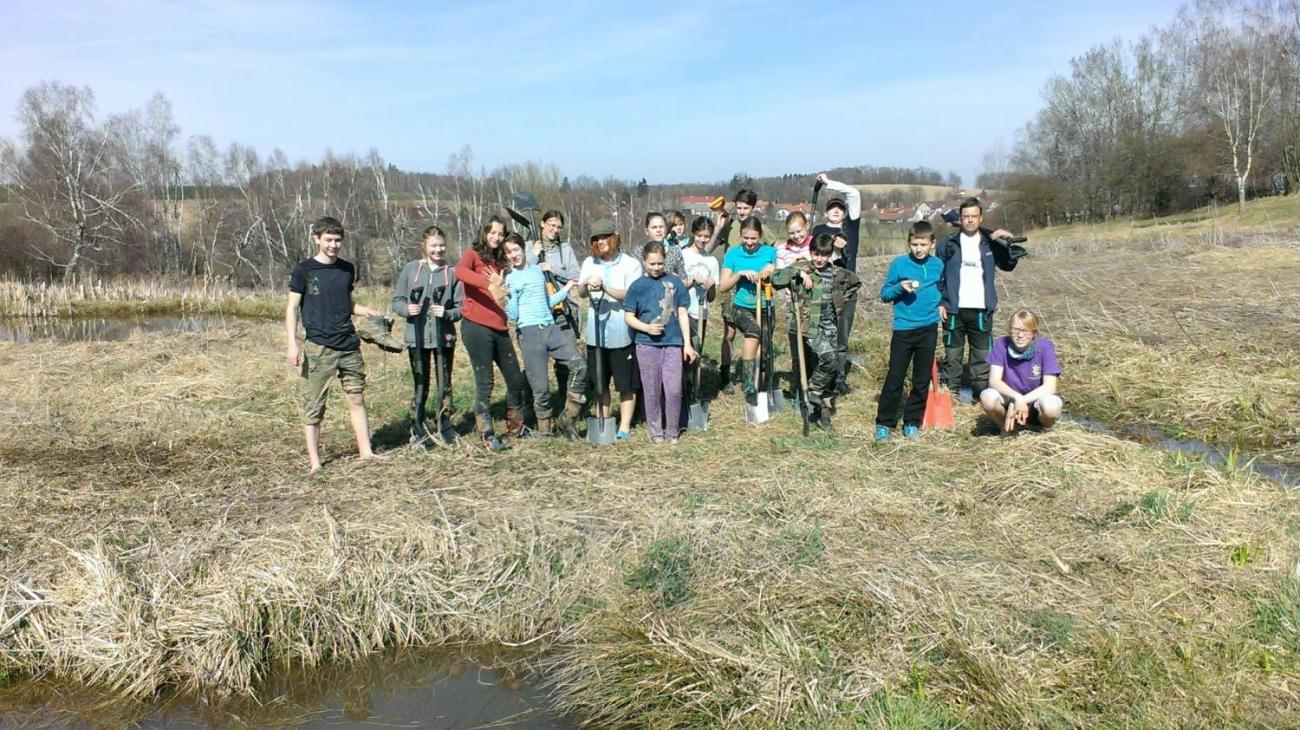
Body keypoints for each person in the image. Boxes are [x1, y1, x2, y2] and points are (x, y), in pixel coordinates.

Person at [285, 216, 385, 472]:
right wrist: (292, 345)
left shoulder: (347, 269)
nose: (333, 245)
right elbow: (292, 309)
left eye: (337, 240)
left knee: (356, 398)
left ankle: (366, 452)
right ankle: (315, 462)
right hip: (318, 348)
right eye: (328, 240)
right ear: (317, 239)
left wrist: (366, 311)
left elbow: (346, 303)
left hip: (349, 345)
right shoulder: (304, 271)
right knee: (313, 406)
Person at [935, 197, 1022, 400]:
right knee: (953, 357)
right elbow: (936, 275)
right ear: (960, 218)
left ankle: (980, 398)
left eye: (974, 216)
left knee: (982, 358)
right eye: (966, 217)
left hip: (982, 309)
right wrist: (940, 302)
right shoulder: (947, 244)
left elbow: (1008, 265)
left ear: (981, 218)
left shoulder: (990, 242)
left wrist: (1007, 243)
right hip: (953, 309)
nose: (970, 220)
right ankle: (951, 399)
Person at [771, 233, 861, 430]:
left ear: (830, 255)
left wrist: (842, 301)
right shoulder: (803, 268)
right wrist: (797, 273)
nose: (819, 259)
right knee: (828, 361)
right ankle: (813, 394)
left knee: (830, 367)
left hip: (829, 329)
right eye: (816, 254)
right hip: (808, 328)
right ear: (811, 253)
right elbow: (775, 278)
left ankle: (822, 411)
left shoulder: (838, 273)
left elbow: (855, 283)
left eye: (824, 255)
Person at [457, 216, 529, 451]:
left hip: (499, 326)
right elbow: (459, 271)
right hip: (476, 325)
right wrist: (488, 285)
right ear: (484, 232)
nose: (496, 237)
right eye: (492, 232)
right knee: (485, 381)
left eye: (500, 233)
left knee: (515, 379)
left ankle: (516, 426)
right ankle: (486, 433)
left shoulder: (501, 263)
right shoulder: (473, 255)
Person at [503, 233, 585, 439]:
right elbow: (512, 315)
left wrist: (567, 287)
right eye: (508, 252)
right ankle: (545, 432)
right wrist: (510, 296)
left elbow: (548, 302)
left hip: (550, 327)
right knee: (541, 388)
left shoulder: (538, 272)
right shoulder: (511, 279)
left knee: (580, 366)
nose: (513, 255)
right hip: (529, 333)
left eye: (516, 250)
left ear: (523, 249)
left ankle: (567, 417)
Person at [391, 225, 462, 445]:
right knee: (421, 384)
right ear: (424, 246)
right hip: (417, 337)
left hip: (444, 339)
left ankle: (445, 425)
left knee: (444, 384)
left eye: (441, 245)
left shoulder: (453, 273)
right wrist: (407, 310)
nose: (438, 249)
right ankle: (417, 427)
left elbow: (462, 306)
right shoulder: (411, 269)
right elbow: (397, 301)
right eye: (433, 245)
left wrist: (448, 313)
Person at [874, 221, 944, 440]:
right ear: (909, 244)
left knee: (921, 379)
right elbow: (884, 294)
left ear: (932, 244)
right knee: (895, 377)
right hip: (904, 329)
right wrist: (899, 288)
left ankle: (912, 421)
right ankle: (885, 422)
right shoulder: (899, 264)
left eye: (923, 244)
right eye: (914, 244)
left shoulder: (937, 265)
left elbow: (942, 289)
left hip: (929, 328)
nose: (919, 249)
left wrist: (943, 304)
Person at [577, 219, 644, 441]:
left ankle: (624, 427)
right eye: (596, 238)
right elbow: (581, 292)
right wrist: (587, 285)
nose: (600, 241)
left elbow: (632, 294)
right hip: (595, 335)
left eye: (604, 237)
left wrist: (606, 288)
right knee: (599, 382)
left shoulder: (630, 264)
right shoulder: (589, 262)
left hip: (621, 333)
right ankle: (603, 422)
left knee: (626, 384)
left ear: (614, 237)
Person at [624, 241, 697, 443]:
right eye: (652, 264)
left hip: (673, 344)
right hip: (646, 345)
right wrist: (646, 328)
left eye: (660, 263)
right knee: (652, 390)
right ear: (644, 262)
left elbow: (682, 313)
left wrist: (687, 344)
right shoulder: (637, 286)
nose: (657, 268)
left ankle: (672, 431)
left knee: (674, 390)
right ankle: (656, 431)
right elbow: (629, 316)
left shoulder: (675, 282)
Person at [705, 189, 774, 393]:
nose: (742, 211)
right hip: (732, 284)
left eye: (746, 208)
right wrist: (719, 228)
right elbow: (708, 249)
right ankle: (725, 375)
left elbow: (773, 251)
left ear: (753, 208)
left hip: (757, 289)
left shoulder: (762, 230)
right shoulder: (729, 225)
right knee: (730, 333)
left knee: (758, 334)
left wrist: (769, 268)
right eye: (739, 207)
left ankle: (756, 377)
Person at [810, 174, 863, 397]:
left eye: (840, 208)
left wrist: (828, 184)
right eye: (832, 207)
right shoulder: (818, 230)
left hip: (845, 290)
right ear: (825, 211)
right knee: (817, 335)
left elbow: (854, 194)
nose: (836, 211)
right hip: (820, 288)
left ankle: (839, 380)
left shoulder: (851, 228)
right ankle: (819, 378)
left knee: (841, 337)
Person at [525, 209, 582, 397]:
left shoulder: (565, 249)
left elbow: (576, 276)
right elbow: (518, 274)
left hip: (563, 311)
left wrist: (554, 270)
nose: (555, 229)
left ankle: (566, 399)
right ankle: (536, 401)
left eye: (559, 227)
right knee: (536, 361)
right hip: (536, 313)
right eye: (551, 225)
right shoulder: (528, 247)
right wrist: (534, 257)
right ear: (542, 224)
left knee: (568, 358)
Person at [719, 218, 777, 400]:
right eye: (746, 238)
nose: (750, 243)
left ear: (760, 237)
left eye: (754, 238)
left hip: (766, 305)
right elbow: (723, 286)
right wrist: (740, 274)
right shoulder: (733, 254)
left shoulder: (770, 252)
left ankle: (764, 384)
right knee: (753, 331)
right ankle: (747, 381)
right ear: (741, 236)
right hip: (741, 306)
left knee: (766, 345)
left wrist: (770, 270)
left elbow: (776, 270)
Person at [980, 310, 1063, 433]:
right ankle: (1006, 426)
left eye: (1025, 331)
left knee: (1051, 407)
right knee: (988, 398)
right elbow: (994, 381)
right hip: (1010, 397)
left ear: (1034, 332)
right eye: (1015, 329)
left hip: (1035, 399)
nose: (1020, 335)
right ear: (1009, 330)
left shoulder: (1044, 347)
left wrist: (1024, 400)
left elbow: (1050, 387)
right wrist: (1017, 398)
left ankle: (1041, 428)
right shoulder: (1000, 344)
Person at [680, 216, 719, 406]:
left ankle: (694, 393)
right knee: (685, 353)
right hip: (683, 312)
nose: (703, 240)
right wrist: (690, 282)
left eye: (707, 236)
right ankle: (683, 393)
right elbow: (674, 287)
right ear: (693, 234)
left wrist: (710, 286)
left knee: (697, 353)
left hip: (701, 312)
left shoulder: (711, 261)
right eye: (700, 235)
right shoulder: (683, 255)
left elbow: (712, 297)